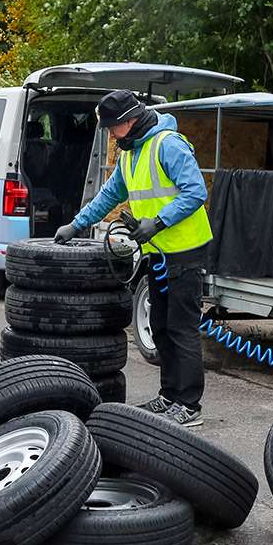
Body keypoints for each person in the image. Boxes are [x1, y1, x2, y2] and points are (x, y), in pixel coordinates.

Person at [56, 90, 213, 426]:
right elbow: (109, 195)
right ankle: (169, 396)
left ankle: (189, 405)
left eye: (114, 128)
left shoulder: (168, 144)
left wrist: (158, 222)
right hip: (157, 252)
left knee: (181, 328)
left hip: (184, 250)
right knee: (160, 326)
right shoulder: (129, 154)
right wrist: (76, 225)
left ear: (130, 120)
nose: (111, 134)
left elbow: (196, 191)